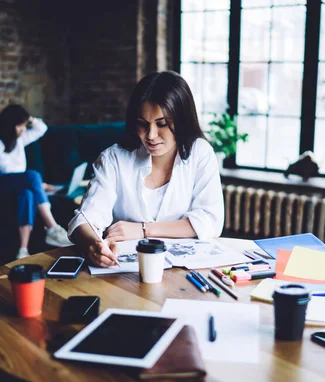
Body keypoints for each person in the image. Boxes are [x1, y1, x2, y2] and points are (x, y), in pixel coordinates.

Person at [68, 71, 224, 267]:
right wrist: (93, 245)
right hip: (125, 272)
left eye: (162, 124)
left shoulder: (200, 153)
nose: (150, 135)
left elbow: (211, 221)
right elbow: (86, 219)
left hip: (184, 270)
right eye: (142, 124)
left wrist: (144, 230)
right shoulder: (113, 159)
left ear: (182, 120)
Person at [0, 104, 71, 260]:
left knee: (27, 194)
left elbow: (42, 129)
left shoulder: (20, 139)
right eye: (19, 125)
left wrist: (29, 119)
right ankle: (52, 228)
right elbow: (6, 172)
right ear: (10, 126)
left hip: (14, 183)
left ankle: (22, 250)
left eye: (24, 125)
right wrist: (36, 184)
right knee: (33, 177)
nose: (23, 129)